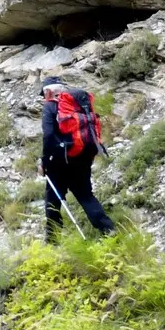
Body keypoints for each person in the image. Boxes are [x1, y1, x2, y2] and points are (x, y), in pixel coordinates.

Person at [39, 76, 114, 240]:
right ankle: (109, 232)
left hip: (59, 162)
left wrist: (44, 161)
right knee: (86, 196)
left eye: (43, 94)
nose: (44, 98)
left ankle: (53, 240)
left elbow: (48, 136)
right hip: (83, 157)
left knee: (52, 200)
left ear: (49, 92)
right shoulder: (78, 107)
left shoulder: (50, 107)